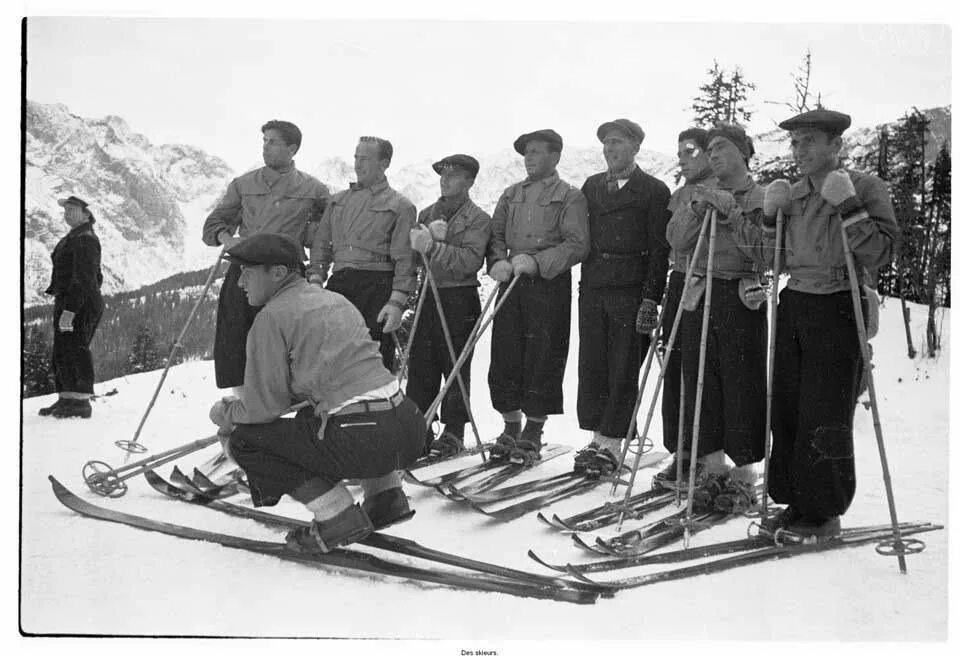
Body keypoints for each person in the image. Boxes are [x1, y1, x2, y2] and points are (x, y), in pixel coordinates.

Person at [728, 109, 899, 538]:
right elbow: (770, 260)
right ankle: (794, 500)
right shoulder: (792, 192)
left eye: (809, 141)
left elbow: (880, 253)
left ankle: (823, 511)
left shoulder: (862, 187)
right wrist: (770, 218)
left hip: (840, 304)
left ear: (835, 146)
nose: (799, 150)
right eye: (795, 142)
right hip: (795, 303)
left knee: (825, 411)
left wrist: (849, 207)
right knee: (786, 407)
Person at [207, 233, 425, 554]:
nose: (240, 282)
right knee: (316, 415)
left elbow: (263, 409)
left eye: (247, 272)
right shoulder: (333, 299)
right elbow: (325, 380)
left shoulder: (272, 317)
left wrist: (225, 414)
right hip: (409, 427)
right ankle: (386, 497)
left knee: (245, 438)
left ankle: (336, 516)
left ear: (278, 273)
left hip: (362, 436)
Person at [664, 122, 767, 511]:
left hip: (741, 295)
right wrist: (696, 209)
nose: (715, 155)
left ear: (743, 151)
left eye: (722, 147)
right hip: (699, 291)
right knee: (700, 378)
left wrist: (732, 211)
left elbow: (762, 252)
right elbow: (676, 241)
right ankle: (712, 467)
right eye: (711, 149)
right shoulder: (698, 195)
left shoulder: (758, 196)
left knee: (742, 383)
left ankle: (744, 475)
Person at [573, 119, 670, 477]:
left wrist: (651, 299)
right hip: (594, 287)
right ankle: (597, 439)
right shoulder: (592, 186)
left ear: (635, 147)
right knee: (593, 364)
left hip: (631, 290)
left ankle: (613, 443)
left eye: (616, 142)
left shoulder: (653, 190)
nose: (609, 149)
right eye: (605, 144)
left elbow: (660, 249)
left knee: (623, 365)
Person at [486, 129, 589, 465]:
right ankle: (510, 424)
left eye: (536, 152)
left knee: (543, 354)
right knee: (506, 352)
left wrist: (538, 262)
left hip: (548, 283)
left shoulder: (570, 196)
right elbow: (496, 235)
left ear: (555, 156)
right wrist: (498, 261)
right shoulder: (511, 193)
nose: (529, 158)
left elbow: (577, 244)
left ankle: (534, 429)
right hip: (511, 280)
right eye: (526, 153)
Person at [202, 120, 330, 391]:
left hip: (287, 277)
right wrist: (228, 240)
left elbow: (324, 234)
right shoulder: (243, 184)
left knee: (284, 340)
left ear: (292, 148)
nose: (265, 147)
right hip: (245, 270)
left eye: (273, 142)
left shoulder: (314, 190)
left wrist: (317, 266)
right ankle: (242, 405)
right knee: (237, 337)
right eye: (264, 141)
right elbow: (213, 224)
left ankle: (284, 401)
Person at [406, 154, 492, 457]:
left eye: (454, 175)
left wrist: (435, 247)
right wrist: (420, 248)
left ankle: (455, 430)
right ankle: (419, 428)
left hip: (459, 295)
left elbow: (470, 261)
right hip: (429, 292)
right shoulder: (427, 213)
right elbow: (415, 257)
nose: (445, 179)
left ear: (469, 181)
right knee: (421, 364)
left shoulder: (479, 219)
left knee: (454, 364)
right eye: (443, 174)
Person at [309, 136, 416, 372]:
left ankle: (377, 408)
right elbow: (321, 246)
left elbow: (405, 259)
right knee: (330, 356)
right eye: (356, 157)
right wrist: (316, 280)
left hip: (376, 287)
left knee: (373, 360)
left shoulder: (400, 205)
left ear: (384, 163)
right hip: (339, 284)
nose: (358, 164)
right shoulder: (337, 202)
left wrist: (396, 302)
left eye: (365, 158)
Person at [654, 128, 718, 484]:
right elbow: (671, 242)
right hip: (680, 280)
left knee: (702, 369)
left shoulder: (722, 189)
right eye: (679, 151)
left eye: (690, 151)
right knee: (676, 365)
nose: (682, 158)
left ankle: (709, 454)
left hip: (710, 279)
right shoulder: (679, 195)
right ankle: (682, 451)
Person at [39, 195, 104, 419]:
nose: (67, 213)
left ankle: (81, 402)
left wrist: (71, 310)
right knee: (63, 348)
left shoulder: (85, 238)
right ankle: (66, 397)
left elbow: (84, 279)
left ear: (86, 213)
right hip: (71, 300)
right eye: (65, 210)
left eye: (72, 209)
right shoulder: (76, 236)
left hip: (79, 303)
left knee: (75, 347)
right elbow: (97, 275)